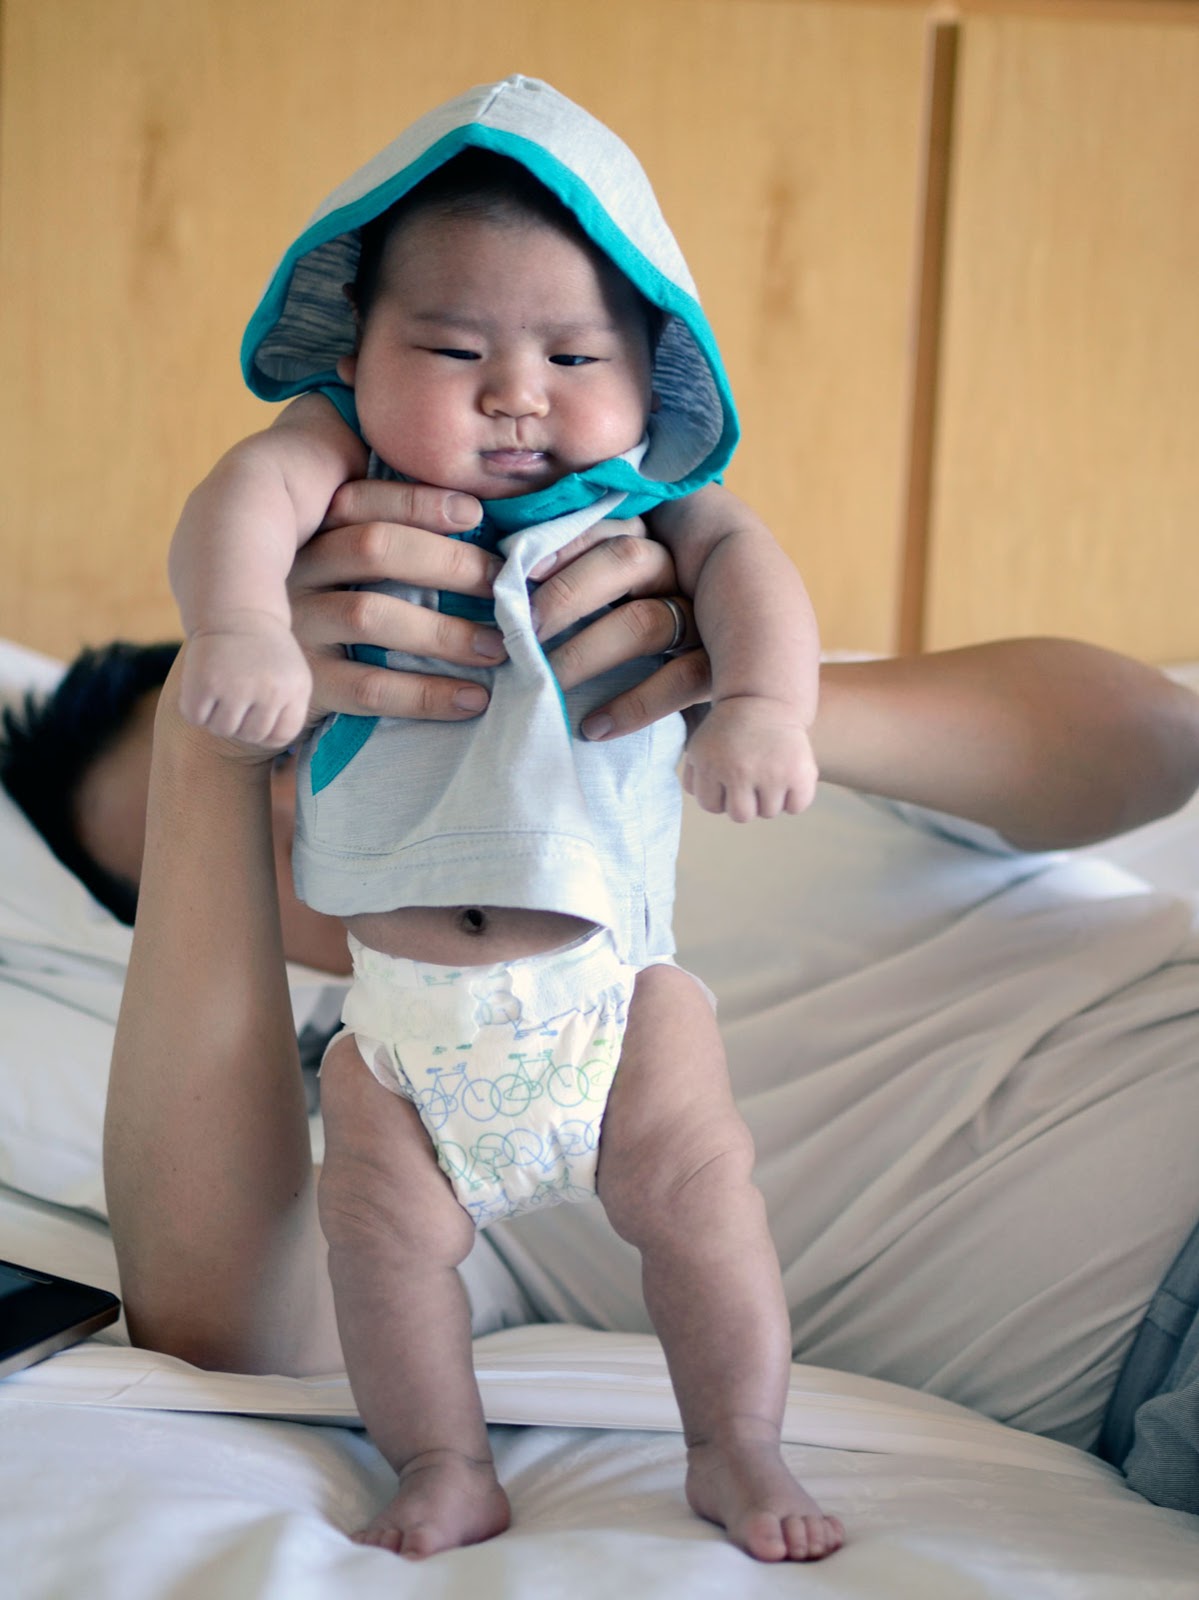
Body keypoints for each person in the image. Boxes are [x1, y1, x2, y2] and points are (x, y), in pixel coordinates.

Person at [6, 491, 1199, 1516]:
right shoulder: (413, 1085)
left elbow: (1162, 741)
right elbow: (230, 1336)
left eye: (293, 749)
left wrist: (744, 692)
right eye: (236, 839)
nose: (301, 803)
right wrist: (204, 751)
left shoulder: (714, 711)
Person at [163, 79, 830, 1561]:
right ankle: (443, 1460)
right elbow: (239, 495)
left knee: (697, 1193)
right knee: (377, 1235)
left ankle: (736, 1444)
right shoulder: (337, 468)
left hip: (608, 997)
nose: (515, 393)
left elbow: (750, 568)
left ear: (650, 368)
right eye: (454, 351)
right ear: (357, 354)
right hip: (400, 1033)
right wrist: (238, 629)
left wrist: (763, 708)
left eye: (572, 356)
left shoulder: (641, 506)